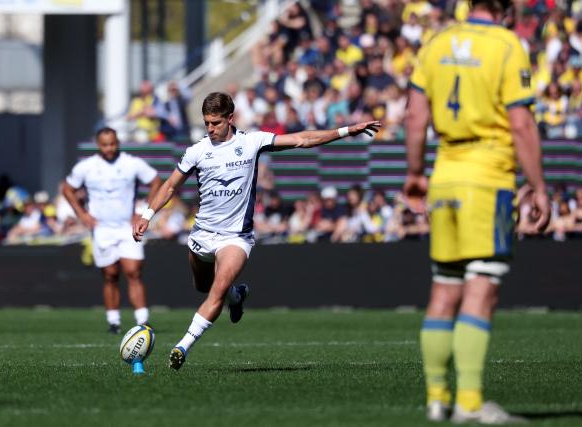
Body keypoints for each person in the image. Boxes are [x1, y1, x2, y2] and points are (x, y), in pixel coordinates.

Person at [132, 92, 380, 371]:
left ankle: (183, 346)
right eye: (206, 123)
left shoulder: (252, 142)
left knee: (216, 290)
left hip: (236, 237)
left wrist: (346, 130)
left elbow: (303, 138)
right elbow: (169, 186)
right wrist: (148, 215)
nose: (210, 129)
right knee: (203, 286)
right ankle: (237, 296)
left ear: (230, 118)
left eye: (215, 122)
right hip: (202, 234)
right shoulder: (197, 150)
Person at [404, 0, 551, 423]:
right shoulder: (507, 45)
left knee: (444, 288)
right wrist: (538, 186)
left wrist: (415, 171)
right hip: (487, 177)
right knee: (482, 286)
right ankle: (469, 401)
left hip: (444, 174)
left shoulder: (435, 43)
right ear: (505, 8)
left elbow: (416, 116)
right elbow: (521, 123)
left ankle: (436, 398)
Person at [62, 127, 161, 333]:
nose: (109, 148)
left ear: (118, 142)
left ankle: (142, 320)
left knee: (133, 271)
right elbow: (67, 188)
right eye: (105, 144)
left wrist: (144, 212)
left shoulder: (131, 163)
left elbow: (155, 181)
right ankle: (113, 321)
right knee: (110, 274)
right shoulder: (86, 167)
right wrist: (82, 214)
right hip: (102, 229)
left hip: (127, 227)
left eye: (113, 143)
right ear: (98, 145)